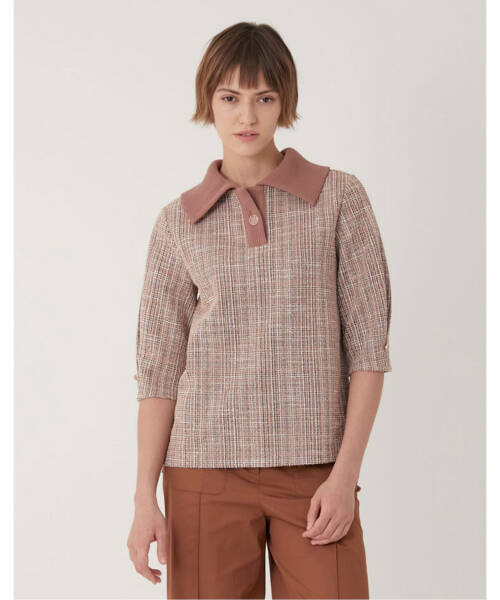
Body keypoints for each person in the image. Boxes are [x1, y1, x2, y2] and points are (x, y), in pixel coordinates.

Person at [127, 21, 392, 600]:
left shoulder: (339, 198)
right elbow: (159, 372)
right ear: (208, 102)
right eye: (230, 98)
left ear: (284, 102)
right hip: (202, 474)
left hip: (316, 475)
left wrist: (345, 475)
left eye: (264, 98)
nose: (246, 116)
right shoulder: (177, 223)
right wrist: (145, 497)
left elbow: (369, 352)